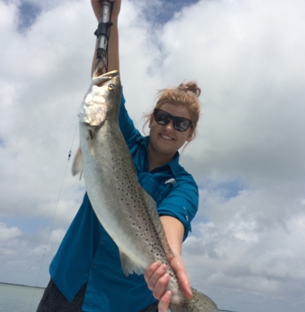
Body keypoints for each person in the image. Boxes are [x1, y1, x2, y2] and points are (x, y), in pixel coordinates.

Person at [37, 0, 201, 311]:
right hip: (70, 281)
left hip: (128, 300)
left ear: (189, 133)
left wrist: (170, 258)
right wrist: (109, 21)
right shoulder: (119, 137)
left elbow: (172, 221)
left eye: (181, 124)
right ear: (150, 118)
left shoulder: (183, 186)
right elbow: (109, 79)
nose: (169, 128)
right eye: (163, 117)